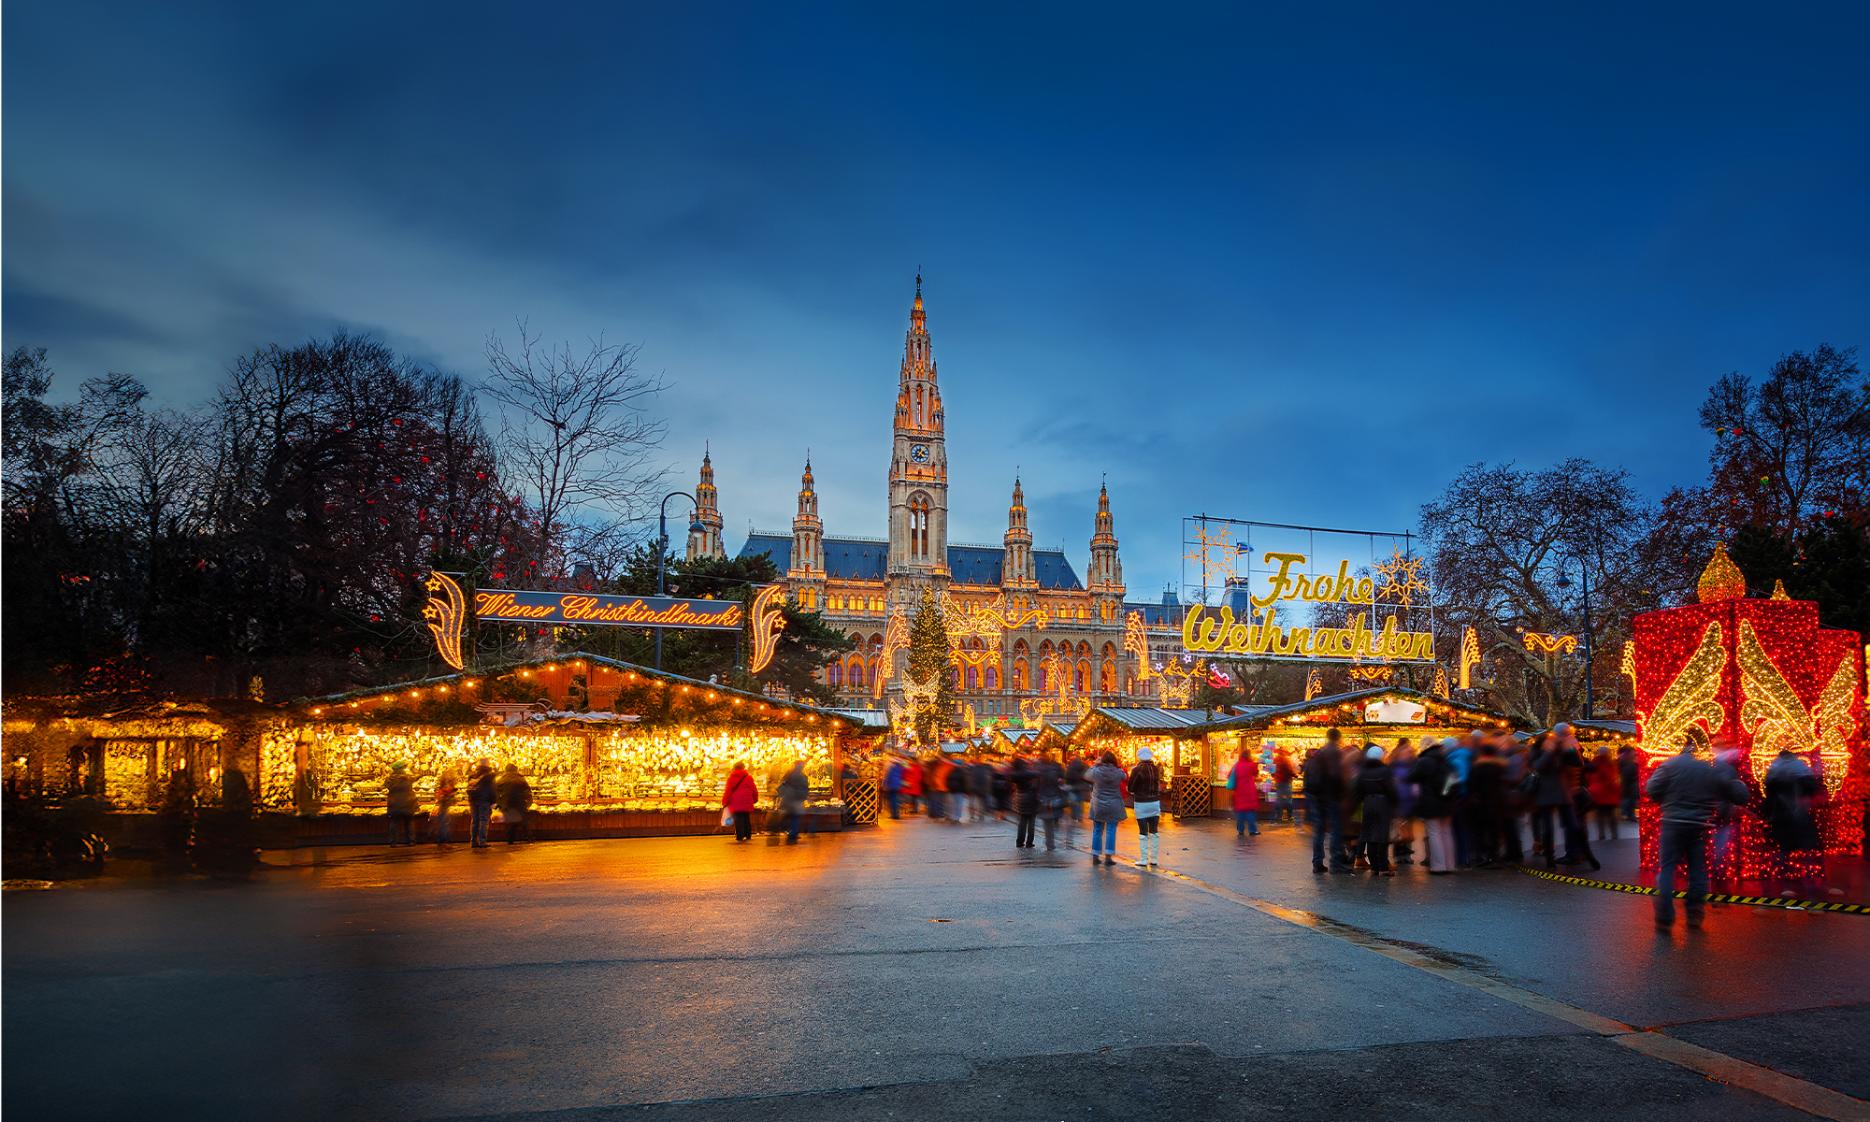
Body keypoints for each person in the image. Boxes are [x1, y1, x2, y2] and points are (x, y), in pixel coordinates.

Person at [1646, 739, 1749, 929]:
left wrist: (1667, 802)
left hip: (1672, 823)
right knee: (1697, 869)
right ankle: (1694, 912)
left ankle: (1664, 917)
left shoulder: (1670, 764)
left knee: (1667, 868)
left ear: (1682, 747)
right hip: (1699, 824)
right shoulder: (1710, 768)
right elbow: (1738, 794)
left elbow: (1651, 789)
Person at [1761, 748, 1823, 900]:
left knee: (1782, 852)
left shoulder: (1775, 769)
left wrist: (1768, 814)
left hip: (1782, 817)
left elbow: (1769, 794)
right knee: (1807, 851)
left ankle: (1779, 886)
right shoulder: (1801, 768)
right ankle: (1811, 889)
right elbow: (1813, 788)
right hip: (1800, 815)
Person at [1409, 738, 1457, 874]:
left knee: (1434, 833)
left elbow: (1411, 776)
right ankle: (1450, 864)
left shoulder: (1424, 761)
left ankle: (1438, 865)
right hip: (1447, 801)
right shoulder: (1445, 760)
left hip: (1431, 802)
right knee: (1447, 832)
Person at [1303, 731, 1348, 873]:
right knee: (1335, 829)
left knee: (1319, 830)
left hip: (1316, 796)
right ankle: (1336, 863)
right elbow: (1335, 775)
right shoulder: (1334, 752)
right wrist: (1342, 792)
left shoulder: (1320, 753)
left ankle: (1317, 862)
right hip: (1329, 796)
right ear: (1338, 738)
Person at [1355, 746, 1398, 876]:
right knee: (1382, 837)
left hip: (1368, 803)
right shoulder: (1385, 770)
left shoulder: (1363, 771)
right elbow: (1391, 789)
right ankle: (1383, 867)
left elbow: (1358, 789)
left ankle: (1374, 867)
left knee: (1370, 835)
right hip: (1383, 804)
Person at [1467, 742, 1507, 866]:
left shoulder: (1477, 768)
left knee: (1481, 831)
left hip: (1481, 803)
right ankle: (1495, 856)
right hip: (1497, 802)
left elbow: (1472, 785)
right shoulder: (1499, 767)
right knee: (1495, 831)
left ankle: (1484, 856)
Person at [1087, 751, 1127, 866]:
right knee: (1111, 830)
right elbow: (1125, 776)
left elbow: (1086, 775)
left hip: (1098, 805)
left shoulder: (1096, 771)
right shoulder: (1118, 772)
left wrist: (1095, 764)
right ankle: (1108, 856)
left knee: (1097, 830)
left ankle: (1095, 855)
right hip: (1114, 804)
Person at [1129, 746, 1166, 868]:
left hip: (1141, 803)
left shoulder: (1136, 770)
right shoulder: (1155, 769)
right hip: (1155, 802)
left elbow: (1131, 788)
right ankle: (1154, 859)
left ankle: (1144, 859)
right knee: (1154, 831)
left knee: (1143, 831)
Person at [1389, 740, 1418, 867]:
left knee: (1408, 830)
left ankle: (1406, 855)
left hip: (1410, 802)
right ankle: (1399, 855)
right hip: (1398, 802)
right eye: (1407, 752)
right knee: (1399, 830)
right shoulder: (1393, 767)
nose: (1409, 754)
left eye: (1410, 752)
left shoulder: (1414, 766)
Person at [1587, 746, 1622, 841]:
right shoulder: (1609, 763)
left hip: (1596, 793)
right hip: (1608, 793)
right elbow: (1611, 778)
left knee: (1600, 815)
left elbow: (1589, 777)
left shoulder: (1594, 763)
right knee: (1611, 815)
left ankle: (1601, 834)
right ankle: (1614, 834)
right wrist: (1617, 790)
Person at [1034, 750, 1066, 851]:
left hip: (1043, 799)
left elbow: (1035, 785)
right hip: (1054, 798)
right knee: (1052, 821)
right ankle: (1051, 842)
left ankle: (1050, 843)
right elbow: (1062, 780)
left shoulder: (1037, 769)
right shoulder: (1056, 768)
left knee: (1047, 823)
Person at [1227, 746, 1261, 838]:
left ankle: (1240, 830)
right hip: (1250, 791)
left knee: (1240, 812)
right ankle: (1252, 830)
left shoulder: (1236, 765)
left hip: (1239, 791)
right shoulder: (1251, 765)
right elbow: (1256, 773)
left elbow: (1229, 775)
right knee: (1250, 811)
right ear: (1249, 756)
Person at [722, 761, 759, 842]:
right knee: (746, 818)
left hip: (735, 803)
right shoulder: (748, 778)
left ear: (734, 768)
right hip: (746, 802)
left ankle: (740, 837)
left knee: (738, 819)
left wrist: (725, 801)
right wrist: (755, 799)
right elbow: (754, 790)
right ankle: (748, 835)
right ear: (743, 768)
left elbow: (728, 791)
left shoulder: (731, 778)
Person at [496, 764, 532, 844]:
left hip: (507, 804)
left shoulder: (501, 780)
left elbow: (496, 793)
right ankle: (529, 838)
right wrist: (529, 802)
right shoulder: (520, 779)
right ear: (516, 770)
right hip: (520, 803)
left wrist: (499, 804)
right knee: (524, 822)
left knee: (510, 823)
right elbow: (527, 792)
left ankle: (510, 840)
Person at [777, 759, 809, 844]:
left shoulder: (789, 774)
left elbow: (782, 783)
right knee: (795, 816)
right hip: (798, 799)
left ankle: (788, 830)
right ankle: (793, 833)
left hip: (788, 797)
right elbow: (805, 787)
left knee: (789, 814)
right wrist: (804, 796)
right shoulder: (802, 776)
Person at [1010, 755, 1039, 849]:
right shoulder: (1026, 773)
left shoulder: (1014, 774)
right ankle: (1029, 842)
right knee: (1031, 822)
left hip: (1020, 797)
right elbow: (1036, 773)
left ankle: (1019, 841)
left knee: (1022, 822)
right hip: (1030, 798)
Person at [385, 762, 417, 846]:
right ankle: (411, 841)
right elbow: (416, 777)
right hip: (408, 802)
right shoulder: (408, 778)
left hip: (394, 802)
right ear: (402, 769)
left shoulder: (389, 779)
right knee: (409, 822)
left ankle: (393, 842)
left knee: (394, 822)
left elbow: (385, 786)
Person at [467, 760, 496, 848]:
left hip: (473, 800)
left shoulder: (472, 775)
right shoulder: (489, 776)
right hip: (484, 800)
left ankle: (473, 842)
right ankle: (482, 842)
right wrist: (493, 801)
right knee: (483, 821)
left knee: (474, 821)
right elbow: (492, 789)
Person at [1064, 752, 1090, 841]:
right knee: (1080, 801)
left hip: (1072, 786)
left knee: (1074, 802)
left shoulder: (1070, 766)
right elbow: (1087, 775)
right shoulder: (1083, 765)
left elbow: (1067, 776)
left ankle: (1074, 816)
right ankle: (1079, 817)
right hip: (1080, 786)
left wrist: (1067, 783)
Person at [433, 767, 459, 845]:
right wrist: (452, 793)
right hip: (445, 803)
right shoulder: (447, 783)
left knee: (443, 821)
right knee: (444, 822)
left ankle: (442, 838)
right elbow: (447, 791)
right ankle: (444, 839)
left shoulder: (443, 782)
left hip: (444, 803)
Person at [1272, 746, 1298, 824]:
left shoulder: (1275, 759)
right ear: (1283, 752)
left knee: (1279, 799)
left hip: (1278, 782)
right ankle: (1289, 816)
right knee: (1288, 799)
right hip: (1286, 782)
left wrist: (1275, 776)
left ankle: (1279, 817)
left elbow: (1271, 771)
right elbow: (1289, 770)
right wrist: (1295, 775)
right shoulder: (1286, 760)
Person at [1617, 745, 1640, 823]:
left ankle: (1628, 814)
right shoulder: (1628, 762)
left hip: (1629, 783)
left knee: (1629, 799)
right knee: (1629, 799)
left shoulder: (1625, 760)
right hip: (1629, 783)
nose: (1634, 753)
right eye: (1633, 752)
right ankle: (1627, 814)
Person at [882, 755, 905, 820]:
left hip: (892, 785)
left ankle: (894, 814)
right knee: (896, 800)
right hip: (898, 785)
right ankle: (896, 814)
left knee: (892, 800)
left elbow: (888, 776)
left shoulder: (892, 768)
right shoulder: (900, 768)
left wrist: (885, 784)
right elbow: (902, 776)